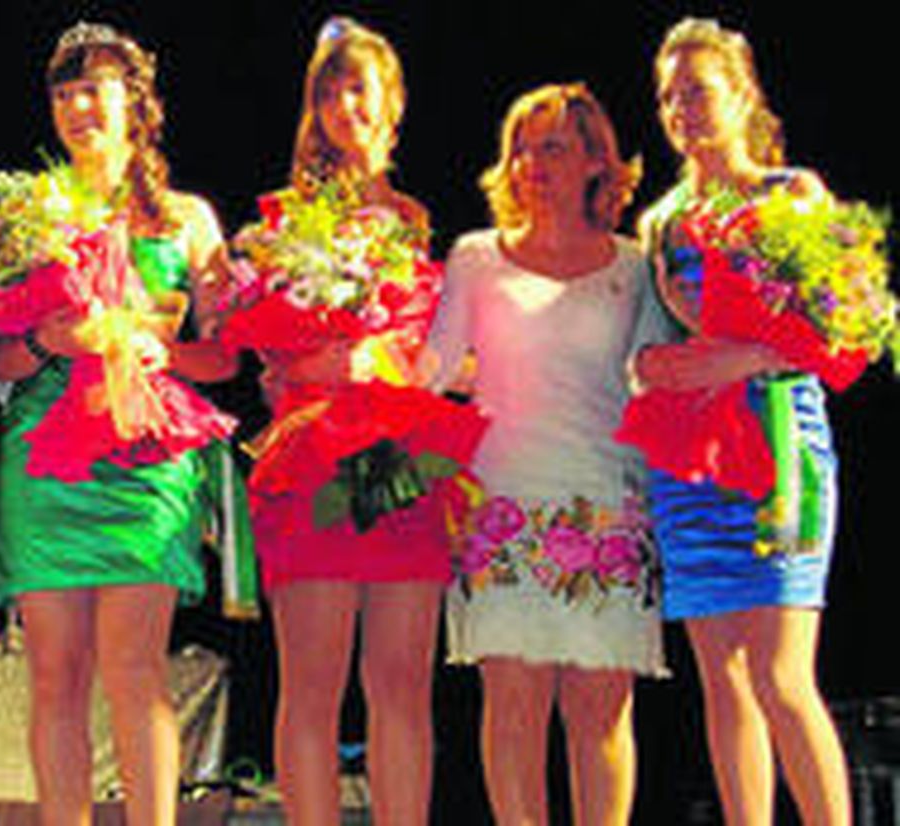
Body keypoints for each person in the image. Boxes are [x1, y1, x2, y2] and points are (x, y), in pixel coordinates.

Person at [0, 21, 238, 826]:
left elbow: (225, 358)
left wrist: (163, 354)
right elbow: (0, 358)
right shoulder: (25, 212)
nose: (78, 106)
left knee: (136, 669)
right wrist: (51, 338)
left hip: (146, 456)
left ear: (136, 103)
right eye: (63, 92)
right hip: (45, 457)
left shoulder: (187, 218)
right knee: (54, 673)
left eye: (94, 88)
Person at [631, 18, 852, 825]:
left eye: (696, 89)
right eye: (667, 95)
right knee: (721, 680)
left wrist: (746, 359)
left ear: (741, 92)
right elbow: (644, 353)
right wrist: (653, 366)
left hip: (782, 447)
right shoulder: (660, 222)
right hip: (690, 465)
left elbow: (842, 331)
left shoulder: (792, 194)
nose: (680, 107)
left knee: (783, 677)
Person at [427, 84, 664, 826]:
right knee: (513, 716)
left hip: (610, 510)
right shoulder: (473, 258)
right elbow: (429, 371)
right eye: (521, 148)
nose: (533, 163)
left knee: (599, 720)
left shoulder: (636, 266)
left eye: (553, 147)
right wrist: (331, 363)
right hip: (501, 514)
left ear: (598, 161)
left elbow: (656, 380)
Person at [246, 18, 446, 826]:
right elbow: (265, 357)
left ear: (392, 102)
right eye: (327, 90)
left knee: (401, 680)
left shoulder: (417, 219)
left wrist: (385, 360)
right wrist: (303, 366)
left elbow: (440, 353)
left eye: (358, 86)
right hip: (311, 456)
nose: (343, 105)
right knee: (313, 682)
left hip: (399, 458)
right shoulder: (283, 221)